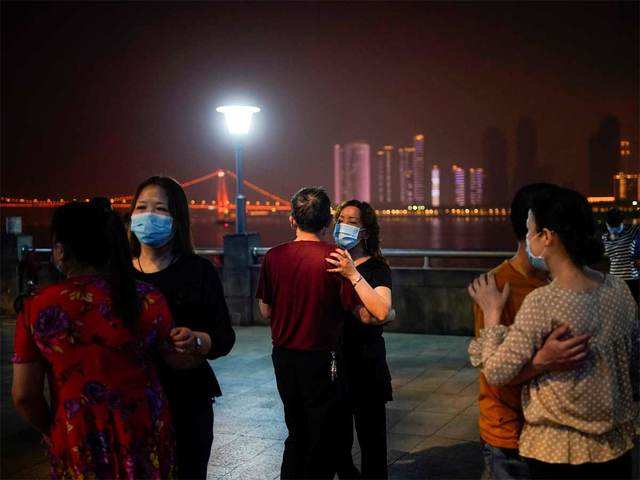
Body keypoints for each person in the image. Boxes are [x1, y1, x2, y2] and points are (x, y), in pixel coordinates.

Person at [469, 187, 638, 480]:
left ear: (546, 236)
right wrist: (544, 361)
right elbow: (632, 363)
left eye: (535, 229)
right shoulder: (619, 289)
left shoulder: (545, 299)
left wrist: (494, 318)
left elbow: (495, 371)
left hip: (555, 449)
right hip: (614, 446)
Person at [12, 201, 176, 479]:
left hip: (77, 435)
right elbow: (173, 360)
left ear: (61, 251)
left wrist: (52, 429)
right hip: (144, 430)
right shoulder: (148, 298)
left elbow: (24, 396)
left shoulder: (37, 308)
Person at [257, 187, 387, 479]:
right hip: (322, 360)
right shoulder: (337, 259)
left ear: (292, 220)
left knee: (296, 430)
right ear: (328, 222)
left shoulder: (273, 257)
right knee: (322, 433)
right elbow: (365, 312)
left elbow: (265, 311)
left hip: (283, 357)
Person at [129, 176, 236, 480]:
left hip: (187, 401)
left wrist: (198, 341)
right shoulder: (116, 275)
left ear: (177, 219)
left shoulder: (199, 271)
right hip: (129, 403)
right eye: (141, 207)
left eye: (160, 209)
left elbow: (224, 338)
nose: (148, 215)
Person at [325, 200, 394, 480]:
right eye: (340, 219)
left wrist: (352, 275)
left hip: (367, 363)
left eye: (352, 221)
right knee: (337, 444)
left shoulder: (377, 268)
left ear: (365, 231)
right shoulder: (331, 262)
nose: (343, 225)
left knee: (372, 442)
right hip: (335, 363)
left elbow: (378, 311)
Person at [602, 207, 639, 302]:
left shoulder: (631, 231)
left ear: (622, 222)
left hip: (631, 279)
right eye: (611, 226)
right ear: (606, 224)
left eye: (617, 226)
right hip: (614, 279)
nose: (614, 229)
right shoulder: (605, 238)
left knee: (633, 306)